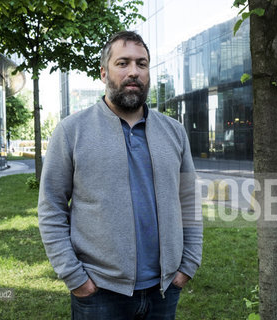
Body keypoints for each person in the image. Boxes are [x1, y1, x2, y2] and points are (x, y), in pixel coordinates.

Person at [38, 30, 203, 320]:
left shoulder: (174, 132)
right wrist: (75, 277)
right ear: (104, 72)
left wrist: (188, 265)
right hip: (100, 292)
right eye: (123, 63)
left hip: (164, 290)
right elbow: (51, 207)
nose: (133, 72)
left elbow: (188, 201)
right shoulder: (71, 131)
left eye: (142, 64)